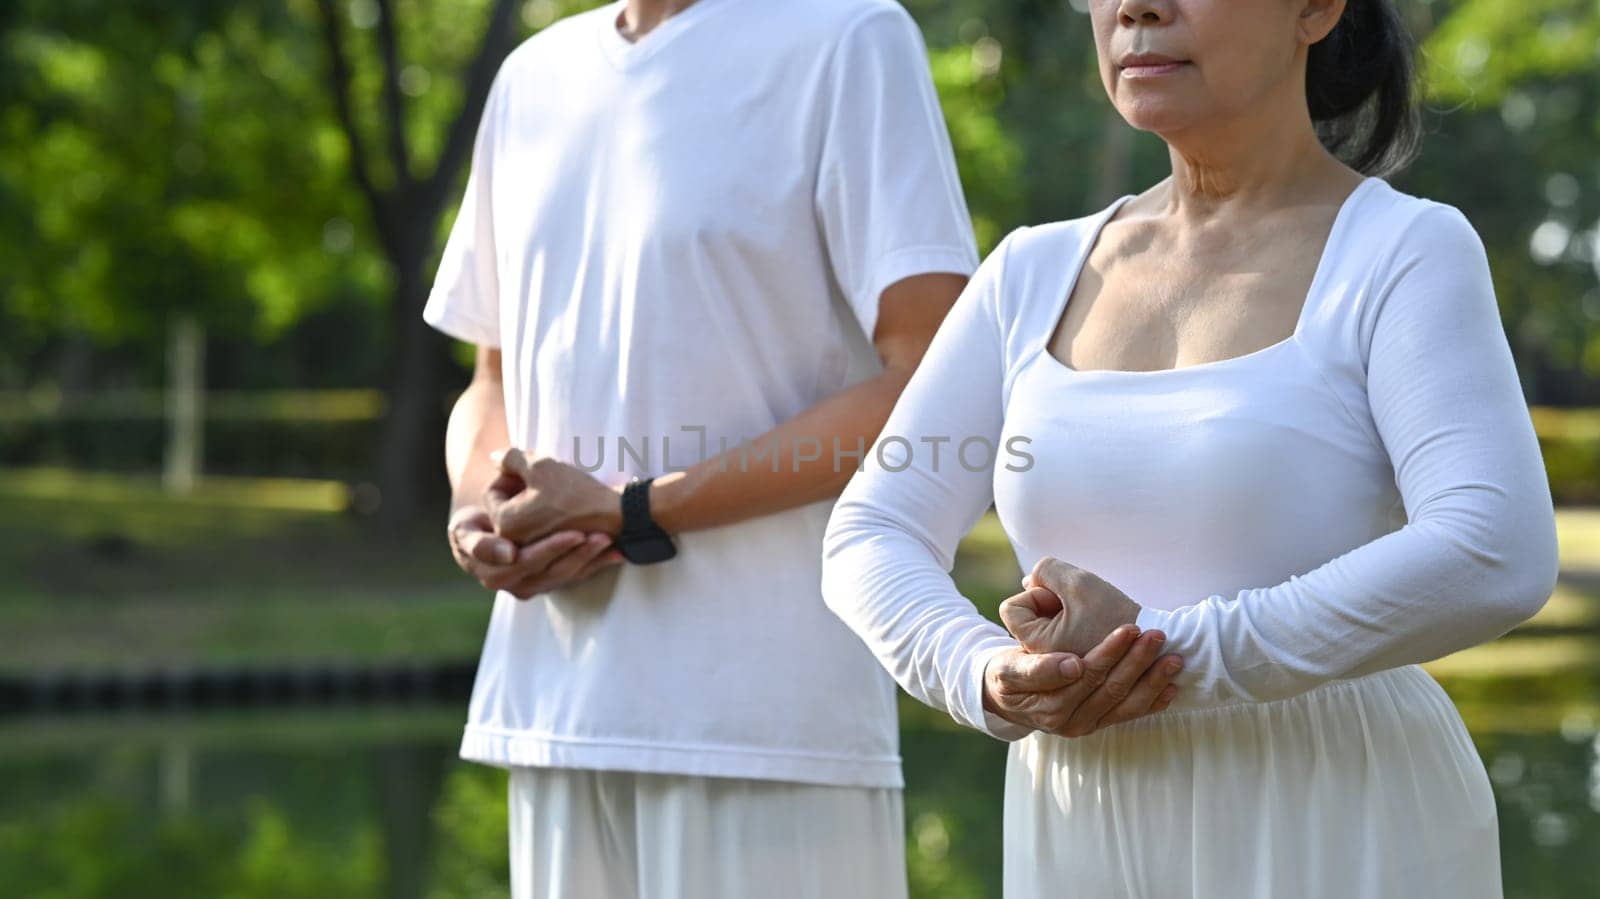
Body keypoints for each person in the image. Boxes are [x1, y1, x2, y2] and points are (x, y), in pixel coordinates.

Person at [424, 1, 1180, 896]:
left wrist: (638, 508)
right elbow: (493, 376)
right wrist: (482, 507)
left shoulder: (849, 39)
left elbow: (928, 383)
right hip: (551, 706)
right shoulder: (531, 78)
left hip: (766, 718)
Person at [819, 0, 1561, 896]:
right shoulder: (1027, 272)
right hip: (1081, 821)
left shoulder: (1404, 251)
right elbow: (872, 526)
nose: (1135, 7)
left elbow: (1495, 547)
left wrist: (1168, 656)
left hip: (1334, 813)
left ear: (1317, 9)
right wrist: (984, 670)